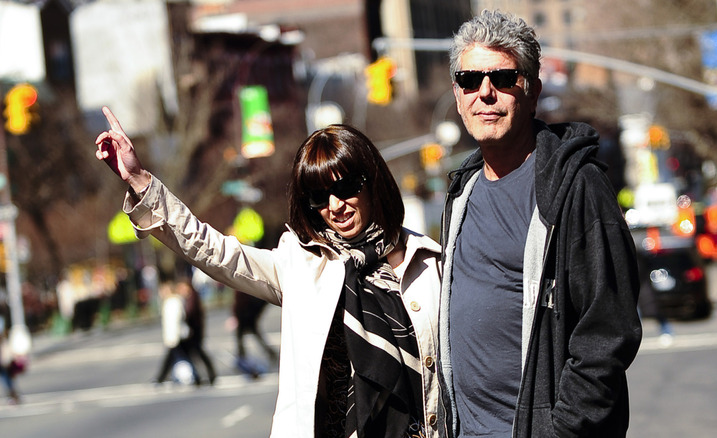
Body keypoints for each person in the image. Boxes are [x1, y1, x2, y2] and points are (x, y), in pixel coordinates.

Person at [95, 107, 442, 438]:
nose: (335, 206)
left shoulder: (429, 263)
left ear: (372, 182)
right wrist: (141, 181)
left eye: (346, 187)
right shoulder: (301, 264)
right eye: (319, 197)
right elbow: (214, 251)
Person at [438, 10, 642, 438]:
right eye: (470, 81)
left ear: (531, 92)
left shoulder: (577, 186)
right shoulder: (461, 191)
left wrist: (562, 429)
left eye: (504, 79)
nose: (485, 94)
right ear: (458, 96)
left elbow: (608, 331)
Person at [232, 289, 278, 378]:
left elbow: (240, 303)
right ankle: (270, 353)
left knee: (241, 338)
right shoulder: (242, 288)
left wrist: (237, 315)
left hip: (244, 316)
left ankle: (242, 357)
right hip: (247, 315)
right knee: (249, 337)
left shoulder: (240, 289)